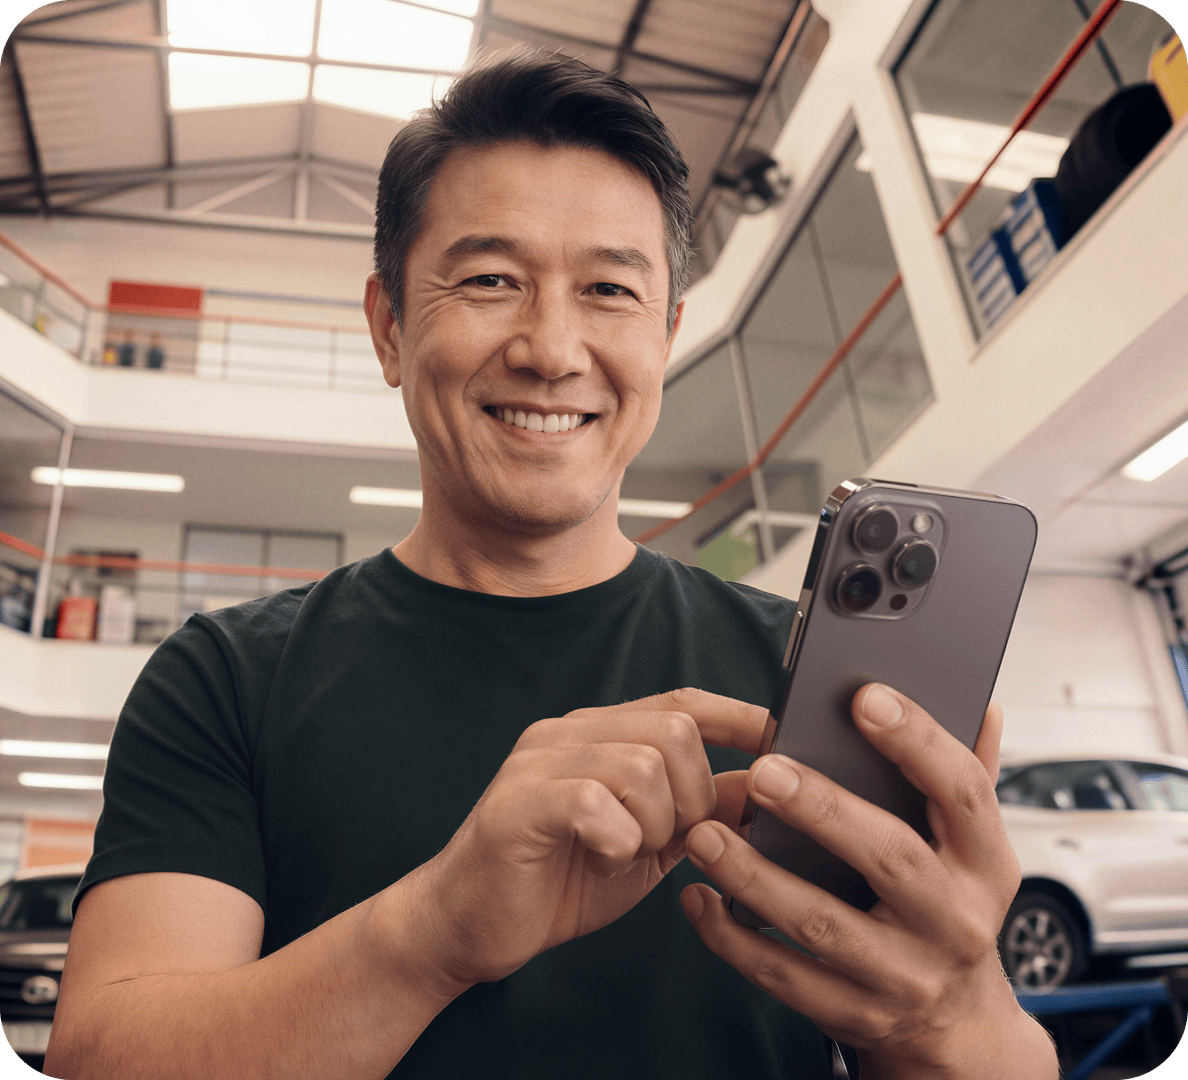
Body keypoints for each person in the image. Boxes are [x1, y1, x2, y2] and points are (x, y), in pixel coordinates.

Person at [43, 52, 1057, 1080]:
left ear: (665, 338)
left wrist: (947, 1012)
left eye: (609, 290)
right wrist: (432, 933)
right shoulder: (222, 679)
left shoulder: (806, 685)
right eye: (491, 280)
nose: (553, 347)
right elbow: (101, 1058)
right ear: (390, 325)